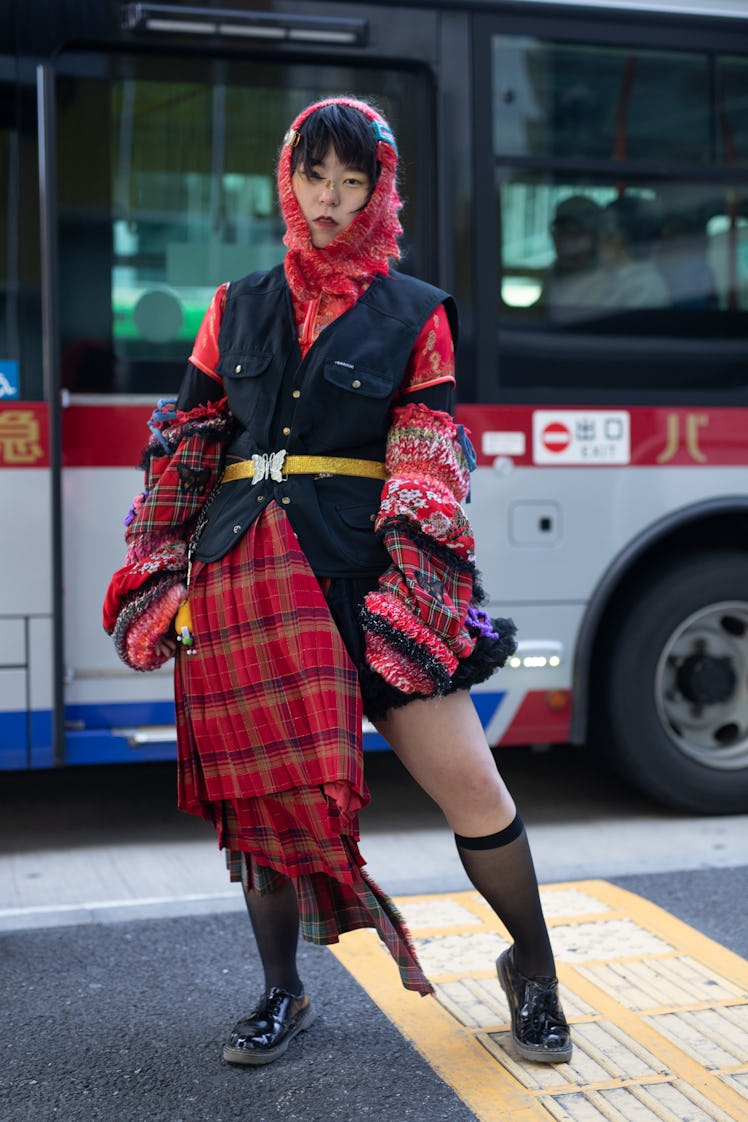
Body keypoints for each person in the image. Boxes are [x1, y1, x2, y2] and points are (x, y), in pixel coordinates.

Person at [103, 97, 572, 1070]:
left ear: (378, 193)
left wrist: (419, 602)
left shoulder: (416, 314)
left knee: (473, 789)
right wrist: (160, 579)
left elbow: (429, 461)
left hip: (372, 590)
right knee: (264, 818)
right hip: (245, 588)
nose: (330, 199)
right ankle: (282, 993)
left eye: (352, 182)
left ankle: (532, 972)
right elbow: (184, 450)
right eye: (315, 176)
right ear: (289, 178)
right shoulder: (234, 305)